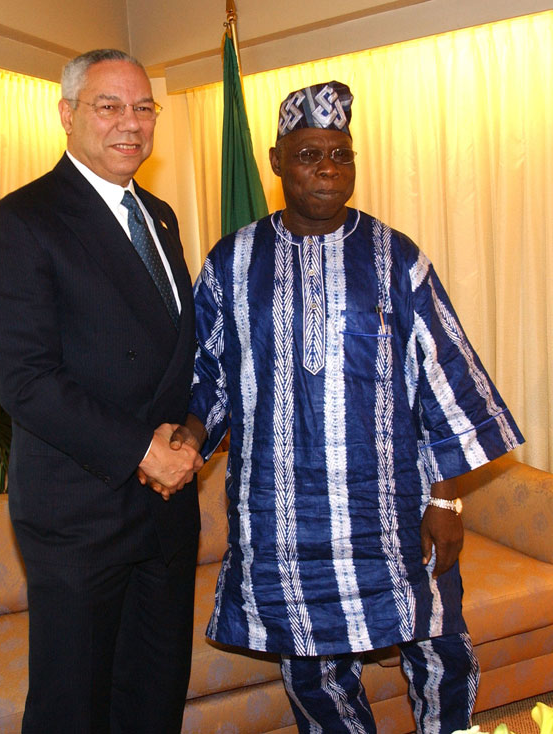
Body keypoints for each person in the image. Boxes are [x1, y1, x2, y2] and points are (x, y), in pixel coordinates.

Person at [173, 81, 524, 733]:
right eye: (309, 154)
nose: (328, 168)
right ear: (277, 161)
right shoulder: (233, 260)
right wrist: (185, 441)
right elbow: (209, 376)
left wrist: (447, 500)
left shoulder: (396, 256)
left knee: (439, 644)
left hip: (393, 508)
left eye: (341, 153)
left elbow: (446, 376)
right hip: (283, 517)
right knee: (310, 663)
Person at [0, 49, 202, 734]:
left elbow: (182, 353)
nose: (130, 124)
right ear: (68, 115)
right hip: (79, 515)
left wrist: (190, 435)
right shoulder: (19, 223)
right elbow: (27, 382)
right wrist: (143, 449)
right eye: (109, 106)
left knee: (155, 698)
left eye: (143, 108)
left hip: (165, 510)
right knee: (72, 708)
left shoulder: (159, 216)